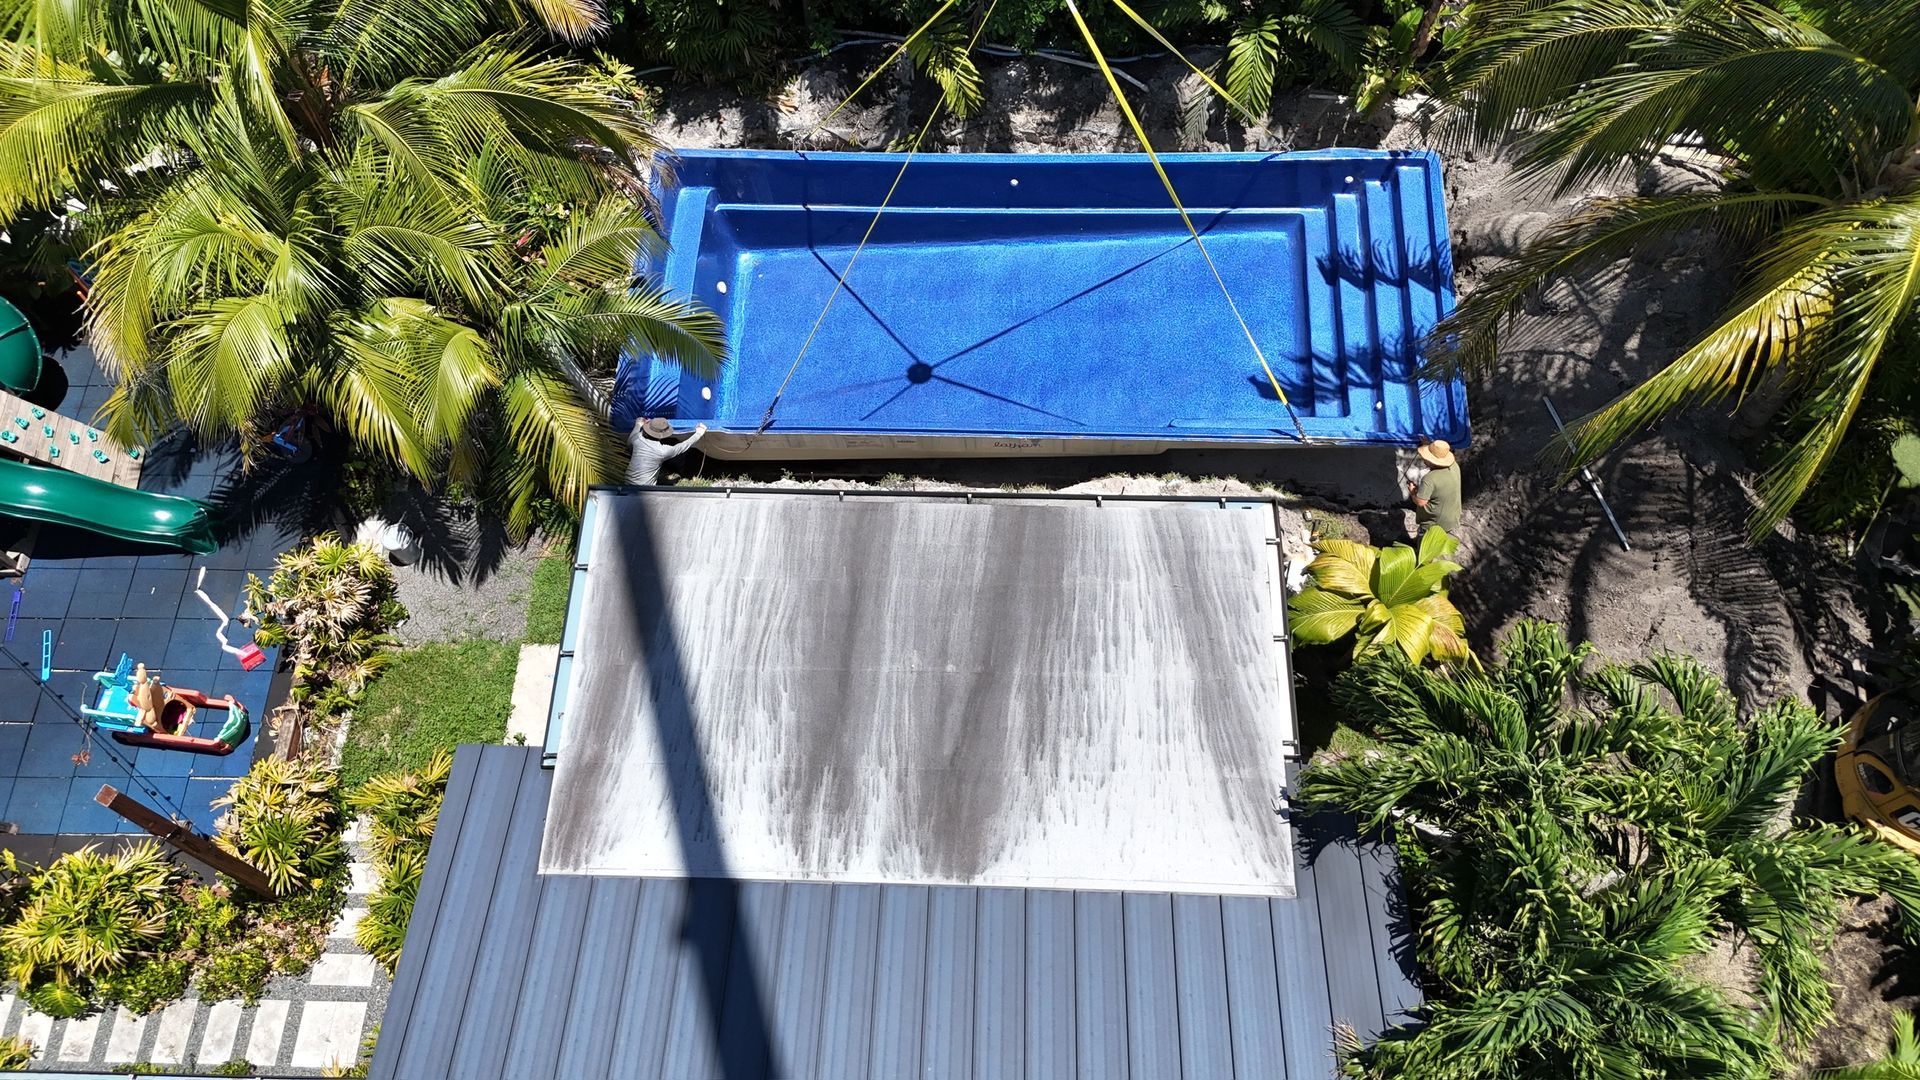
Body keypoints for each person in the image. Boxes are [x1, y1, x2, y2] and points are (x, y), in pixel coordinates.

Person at [626, 418, 708, 485]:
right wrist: (698, 433)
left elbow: (629, 442)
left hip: (627, 483)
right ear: (661, 435)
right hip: (645, 488)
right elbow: (683, 446)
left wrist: (638, 424)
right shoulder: (662, 451)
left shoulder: (637, 438)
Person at [1409, 437, 1463, 537]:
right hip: (1452, 519)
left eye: (1426, 458)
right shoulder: (1454, 466)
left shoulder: (1429, 479)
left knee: (1425, 543)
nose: (1424, 459)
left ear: (1432, 460)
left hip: (1434, 524)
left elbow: (1421, 502)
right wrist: (1426, 444)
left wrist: (1412, 492)